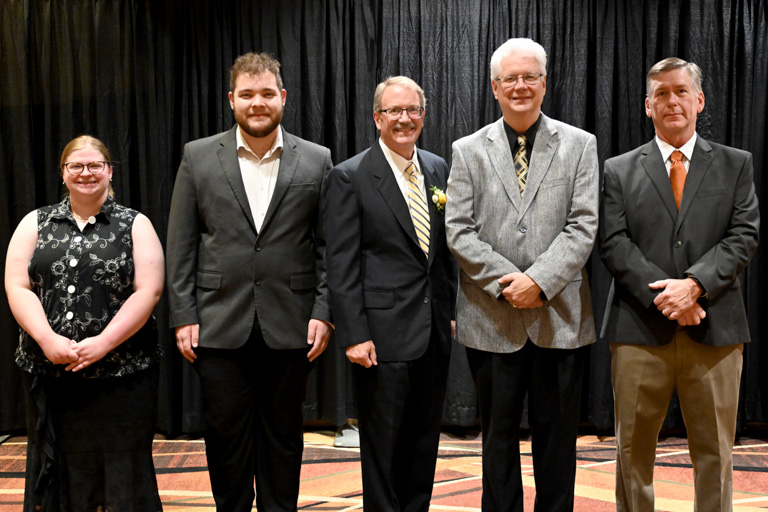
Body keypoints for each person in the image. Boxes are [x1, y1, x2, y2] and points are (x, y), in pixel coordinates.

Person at [165, 52, 332, 512]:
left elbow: (328, 247)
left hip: (293, 323)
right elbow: (181, 244)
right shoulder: (198, 156)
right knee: (225, 437)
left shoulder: (316, 159)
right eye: (247, 94)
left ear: (283, 97)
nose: (257, 103)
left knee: (284, 437)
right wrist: (183, 314)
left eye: (266, 94)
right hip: (217, 321)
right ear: (231, 100)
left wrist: (324, 311)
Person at [599, 57, 760, 512]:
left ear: (700, 100)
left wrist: (694, 286)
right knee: (632, 454)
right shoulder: (617, 169)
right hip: (638, 330)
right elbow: (613, 243)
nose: (672, 101)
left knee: (715, 454)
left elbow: (744, 235)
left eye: (681, 91)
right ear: (647, 106)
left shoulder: (735, 164)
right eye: (662, 94)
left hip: (715, 329)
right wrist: (670, 298)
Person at [445, 38, 599, 511]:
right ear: (494, 87)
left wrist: (540, 282)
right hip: (491, 317)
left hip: (560, 316)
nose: (520, 86)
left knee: (558, 441)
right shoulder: (468, 150)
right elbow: (458, 229)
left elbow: (583, 224)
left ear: (544, 83)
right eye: (510, 78)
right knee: (497, 438)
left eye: (529, 76)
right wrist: (510, 283)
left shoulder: (579, 144)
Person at [5, 135, 165, 511]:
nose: (86, 173)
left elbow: (149, 290)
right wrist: (47, 339)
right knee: (59, 467)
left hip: (122, 375)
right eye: (75, 166)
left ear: (110, 171)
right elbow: (17, 286)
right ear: (63, 173)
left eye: (95, 165)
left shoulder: (135, 224)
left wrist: (104, 343)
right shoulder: (35, 222)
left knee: (123, 468)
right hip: (51, 373)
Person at [324, 76, 457, 511]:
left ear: (424, 115)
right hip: (380, 337)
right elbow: (341, 264)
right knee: (382, 448)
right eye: (394, 111)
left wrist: (450, 311)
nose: (404, 119)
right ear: (377, 118)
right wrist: (354, 334)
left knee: (424, 442)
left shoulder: (437, 168)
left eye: (412, 110)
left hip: (433, 332)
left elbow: (443, 254)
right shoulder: (350, 176)